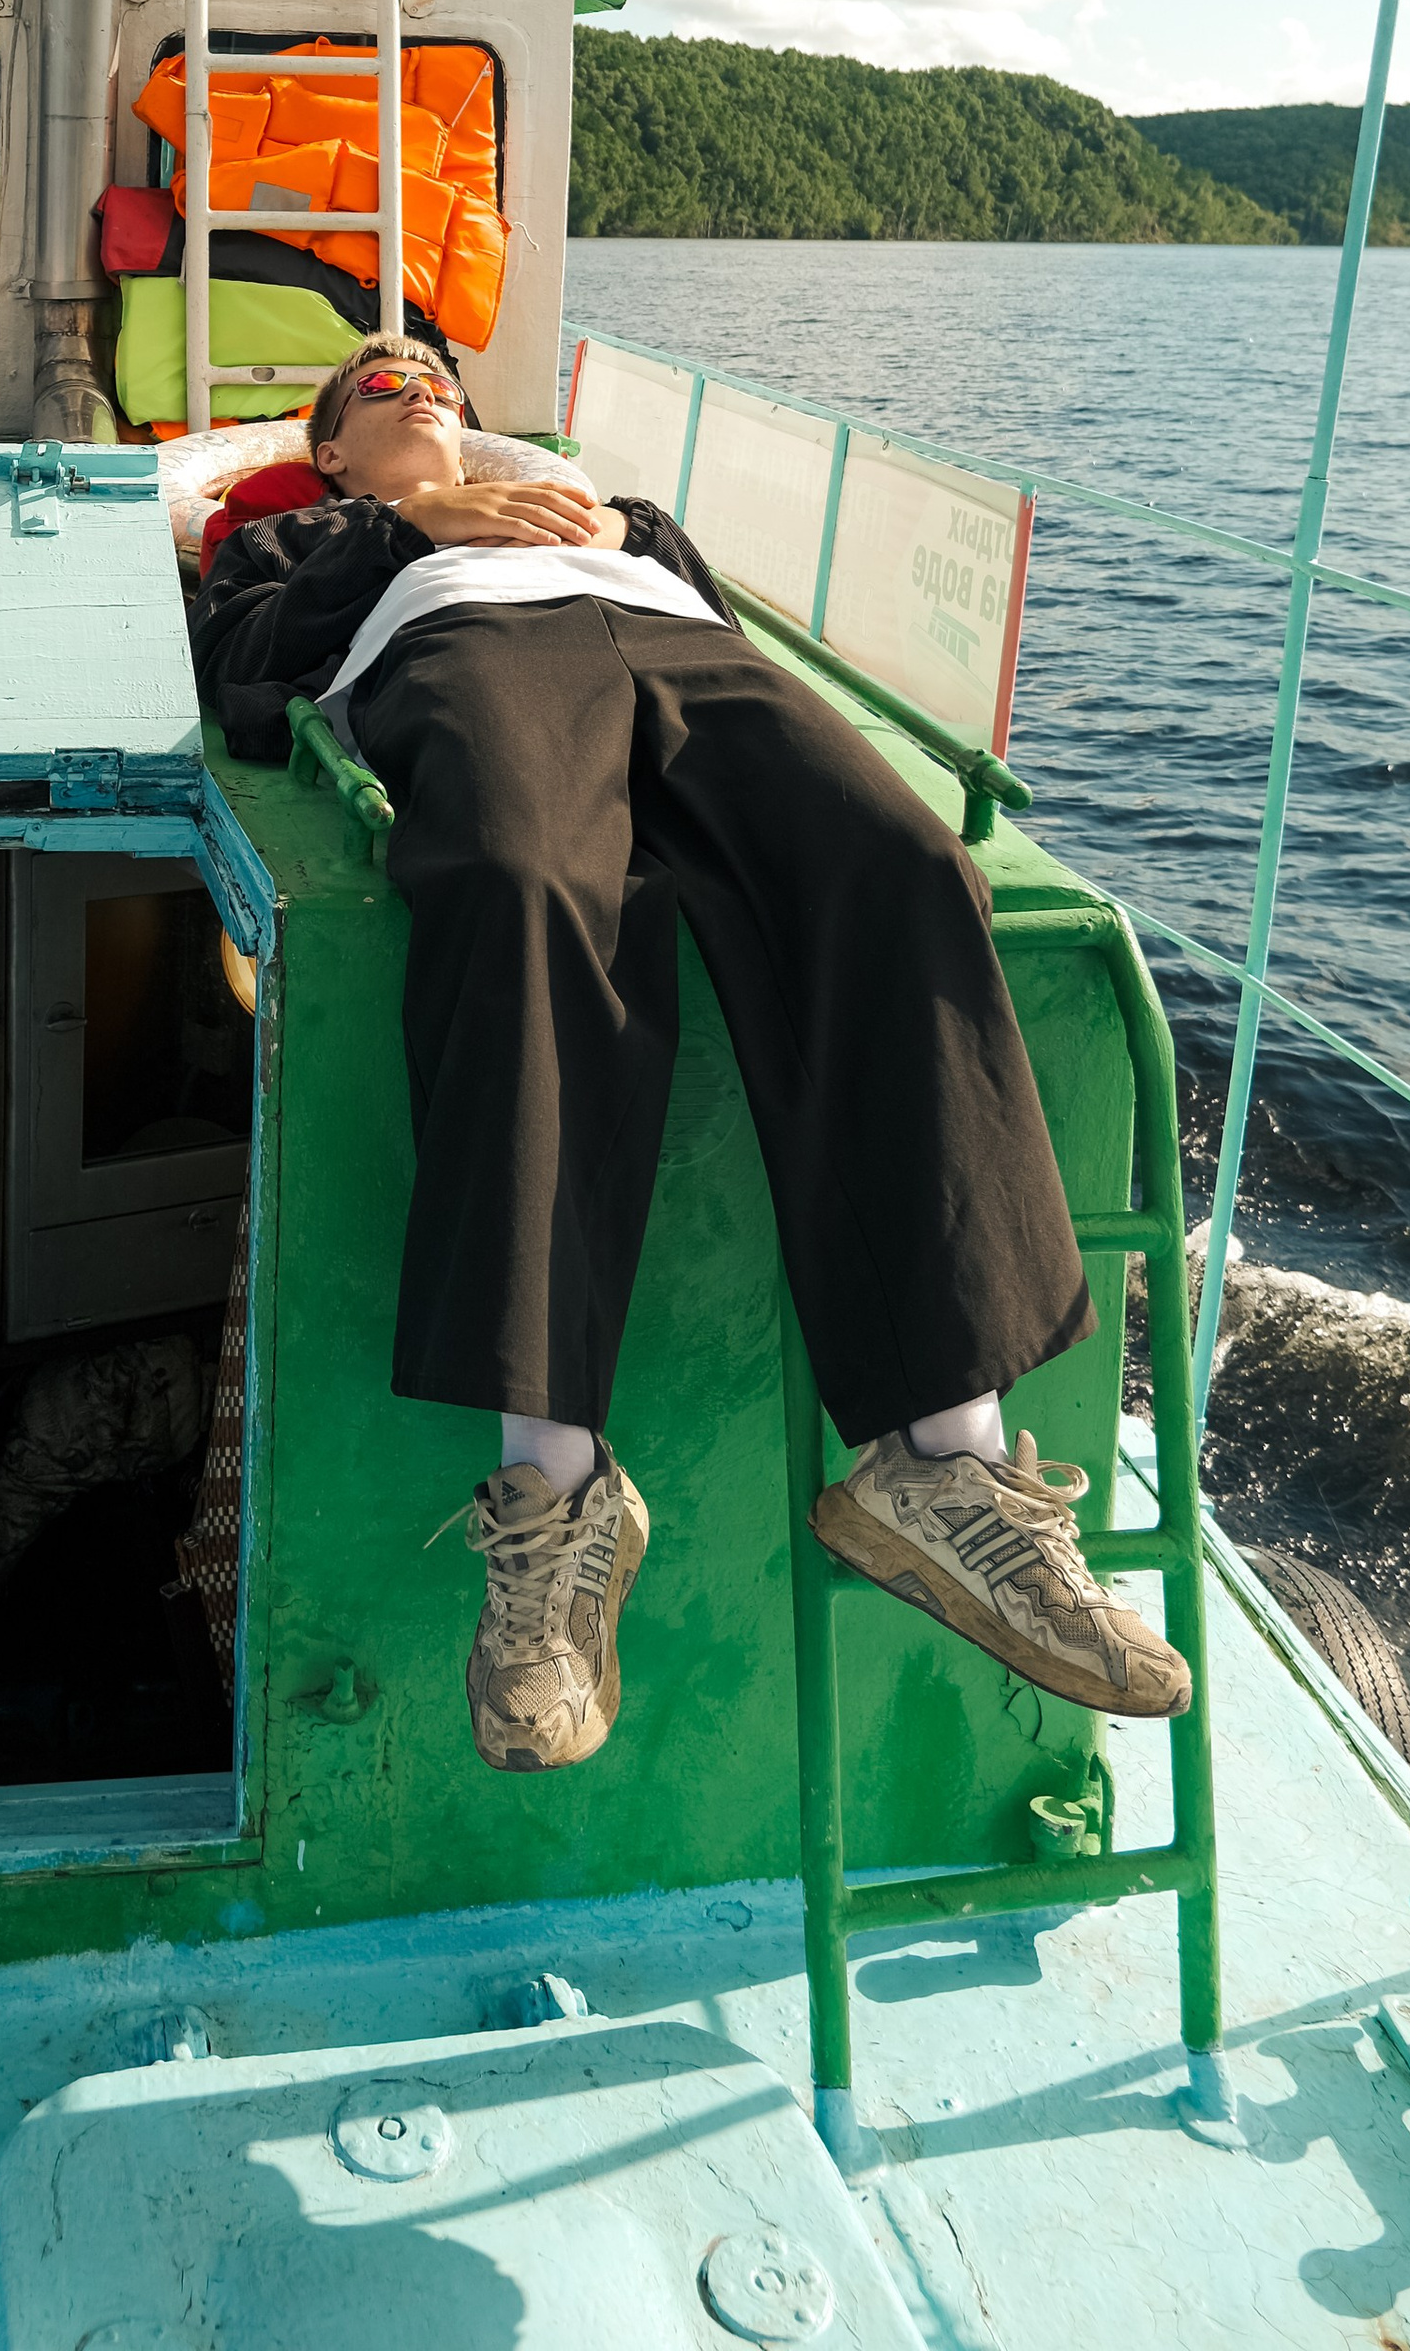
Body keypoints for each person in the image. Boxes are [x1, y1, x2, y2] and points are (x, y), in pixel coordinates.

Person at [190, 332, 1189, 1777]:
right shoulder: (308, 530)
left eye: (435, 374)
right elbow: (242, 658)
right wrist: (411, 530)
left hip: (675, 643)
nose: (411, 375)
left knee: (902, 869)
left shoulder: (623, 518)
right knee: (524, 887)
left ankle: (946, 1461)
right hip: (466, 645)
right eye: (371, 384)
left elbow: (725, 625)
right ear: (334, 447)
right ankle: (556, 1493)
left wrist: (617, 542)